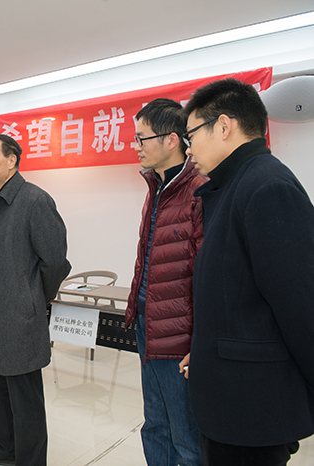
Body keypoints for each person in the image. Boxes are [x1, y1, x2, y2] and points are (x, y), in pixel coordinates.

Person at [181, 78, 314, 466]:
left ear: (223, 126)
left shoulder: (267, 187)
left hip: (253, 406)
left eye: (192, 135)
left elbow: (301, 306)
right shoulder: (232, 186)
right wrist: (204, 349)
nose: (189, 149)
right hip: (232, 397)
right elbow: (236, 295)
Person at [0, 134, 71, 466]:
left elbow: (55, 262)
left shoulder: (34, 201)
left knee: (26, 402)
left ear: (12, 160)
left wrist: (32, 298)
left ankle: (31, 460)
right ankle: (4, 447)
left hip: (16, 319)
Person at [124, 98, 204, 466]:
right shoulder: (155, 186)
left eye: (142, 138)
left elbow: (205, 272)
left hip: (179, 331)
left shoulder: (198, 190)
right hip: (148, 322)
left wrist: (200, 338)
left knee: (185, 433)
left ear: (171, 140)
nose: (136, 146)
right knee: (155, 421)